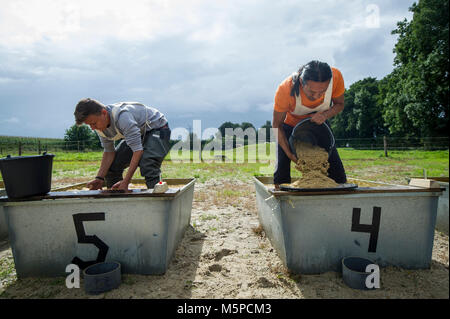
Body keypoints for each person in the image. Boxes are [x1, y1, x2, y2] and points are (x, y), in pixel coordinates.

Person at [272, 60, 347, 189]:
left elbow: (339, 104)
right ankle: (281, 201)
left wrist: (324, 115)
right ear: (302, 82)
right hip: (289, 127)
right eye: (312, 92)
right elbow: (276, 125)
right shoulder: (285, 89)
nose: (317, 96)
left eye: (322, 91)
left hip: (319, 124)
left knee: (338, 175)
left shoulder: (336, 77)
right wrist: (290, 154)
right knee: (281, 172)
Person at [74, 98, 171, 191]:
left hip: (159, 129)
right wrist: (99, 178)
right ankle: (116, 199)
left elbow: (137, 151)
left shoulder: (122, 117)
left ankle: (158, 199)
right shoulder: (100, 127)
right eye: (89, 125)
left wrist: (126, 181)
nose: (92, 128)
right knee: (111, 167)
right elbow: (109, 152)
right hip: (140, 133)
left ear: (104, 113)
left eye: (93, 123)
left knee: (148, 163)